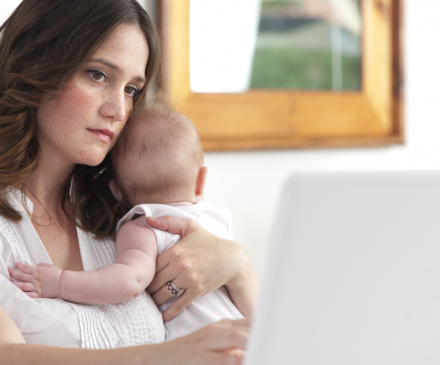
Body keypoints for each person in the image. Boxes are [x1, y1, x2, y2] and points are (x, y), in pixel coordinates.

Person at [0, 0, 259, 364]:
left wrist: (238, 266)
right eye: (97, 75)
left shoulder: (127, 212)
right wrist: (163, 357)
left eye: (131, 89)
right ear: (37, 64)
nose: (118, 111)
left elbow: (264, 339)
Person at [9, 106, 245, 341]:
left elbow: (129, 281)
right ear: (201, 180)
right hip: (242, 344)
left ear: (116, 192)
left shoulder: (145, 225)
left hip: (197, 351)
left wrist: (60, 282)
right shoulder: (218, 219)